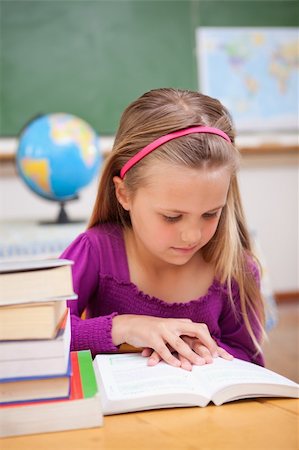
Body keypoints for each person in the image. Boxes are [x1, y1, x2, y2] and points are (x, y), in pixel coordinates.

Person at [61, 88, 266, 371]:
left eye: (210, 214)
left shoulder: (235, 268)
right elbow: (40, 335)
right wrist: (123, 327)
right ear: (124, 194)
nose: (192, 235)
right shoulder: (95, 251)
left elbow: (250, 358)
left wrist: (210, 350)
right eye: (171, 217)